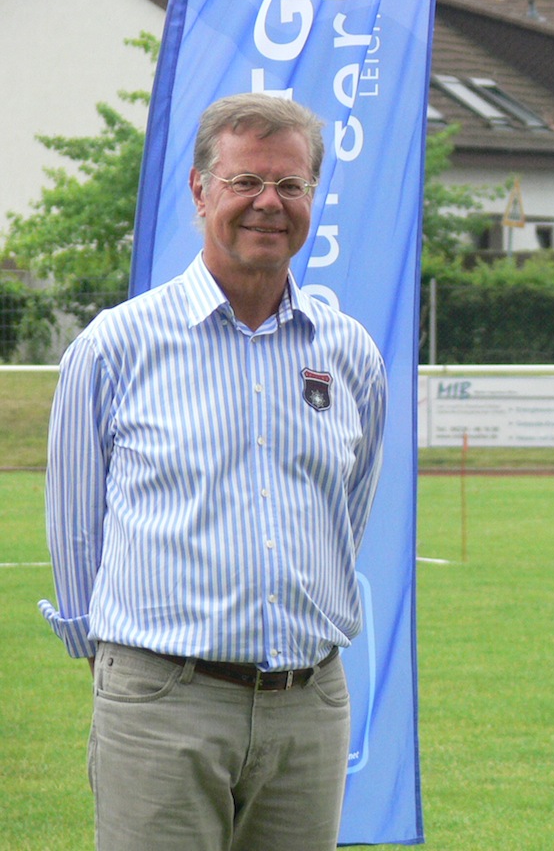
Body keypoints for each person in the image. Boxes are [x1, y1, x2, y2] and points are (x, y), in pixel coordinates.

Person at [39, 93, 387, 851]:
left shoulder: (350, 353)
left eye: (290, 185)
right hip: (164, 702)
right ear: (200, 191)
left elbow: (346, 515)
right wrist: (124, 669)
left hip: (309, 706)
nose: (269, 202)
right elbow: (75, 530)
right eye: (245, 181)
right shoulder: (115, 347)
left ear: (312, 197)